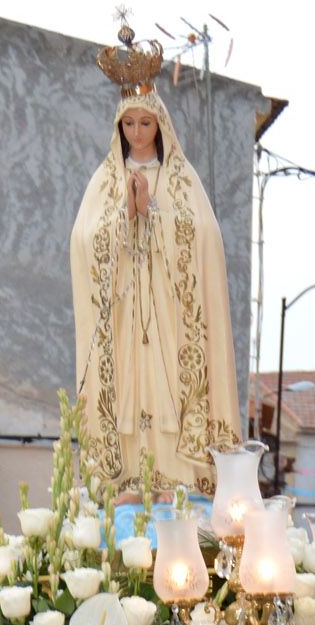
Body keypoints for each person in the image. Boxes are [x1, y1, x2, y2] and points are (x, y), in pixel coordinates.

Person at [69, 54, 240, 494]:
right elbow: (84, 242)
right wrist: (125, 213)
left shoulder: (180, 178)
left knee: (172, 381)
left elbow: (204, 237)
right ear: (119, 128)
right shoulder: (105, 181)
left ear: (160, 125)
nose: (138, 133)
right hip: (125, 311)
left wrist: (155, 212)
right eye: (130, 124)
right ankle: (124, 475)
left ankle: (179, 474)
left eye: (146, 124)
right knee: (128, 381)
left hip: (169, 312)